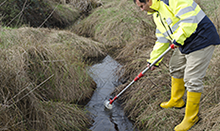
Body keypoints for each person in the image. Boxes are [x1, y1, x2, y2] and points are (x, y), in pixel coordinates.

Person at [133, 0, 220, 130]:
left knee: (192, 79)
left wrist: (177, 40)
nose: (141, 10)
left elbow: (189, 21)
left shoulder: (173, 1)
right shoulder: (157, 14)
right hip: (184, 41)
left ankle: (191, 118)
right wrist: (154, 60)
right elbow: (162, 39)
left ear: (149, 1)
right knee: (175, 67)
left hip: (202, 39)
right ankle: (177, 100)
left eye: (142, 6)